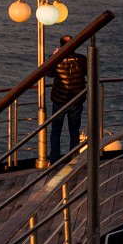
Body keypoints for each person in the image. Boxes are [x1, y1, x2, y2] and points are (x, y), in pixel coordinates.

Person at [48, 35, 86, 164]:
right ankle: (74, 157)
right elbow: (86, 72)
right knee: (74, 130)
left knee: (56, 130)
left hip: (60, 100)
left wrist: (53, 56)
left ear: (61, 46)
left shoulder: (56, 60)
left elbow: (48, 73)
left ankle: (54, 159)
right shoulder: (81, 59)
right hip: (76, 99)